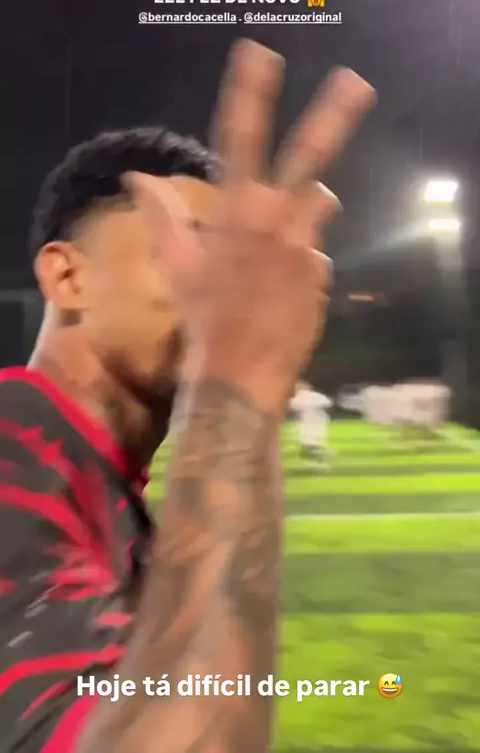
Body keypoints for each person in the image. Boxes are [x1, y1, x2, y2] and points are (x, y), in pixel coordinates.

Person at [0, 39, 375, 753]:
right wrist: (237, 383)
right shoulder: (13, 454)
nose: (218, 285)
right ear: (69, 278)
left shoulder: (102, 487)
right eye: (185, 249)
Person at [291, 381, 332, 468]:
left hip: (306, 423)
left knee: (307, 445)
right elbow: (328, 406)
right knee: (317, 443)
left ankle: (320, 460)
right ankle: (321, 459)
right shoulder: (319, 396)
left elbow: (295, 412)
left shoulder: (298, 398)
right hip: (320, 422)